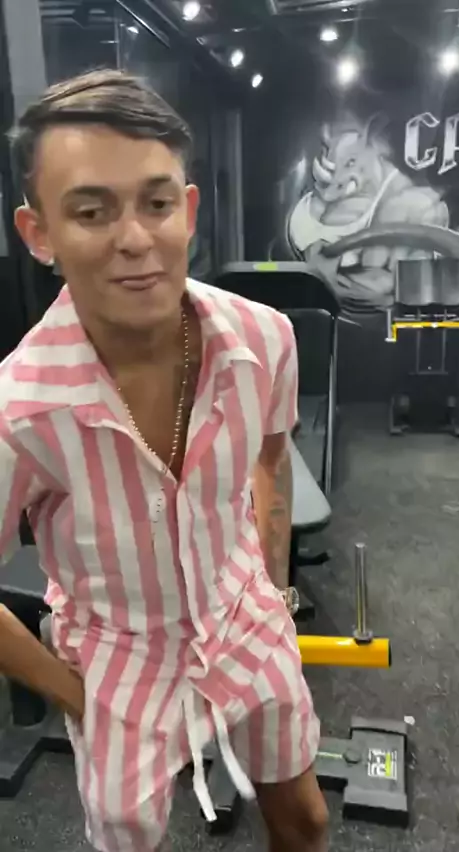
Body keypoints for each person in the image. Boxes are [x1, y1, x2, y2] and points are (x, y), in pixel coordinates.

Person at [0, 69, 329, 852]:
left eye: (155, 203)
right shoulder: (18, 412)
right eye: (91, 211)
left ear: (187, 210)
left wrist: (273, 590)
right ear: (40, 233)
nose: (134, 239)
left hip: (242, 611)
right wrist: (76, 695)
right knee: (131, 838)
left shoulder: (265, 338)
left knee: (306, 821)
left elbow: (271, 460)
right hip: (116, 654)